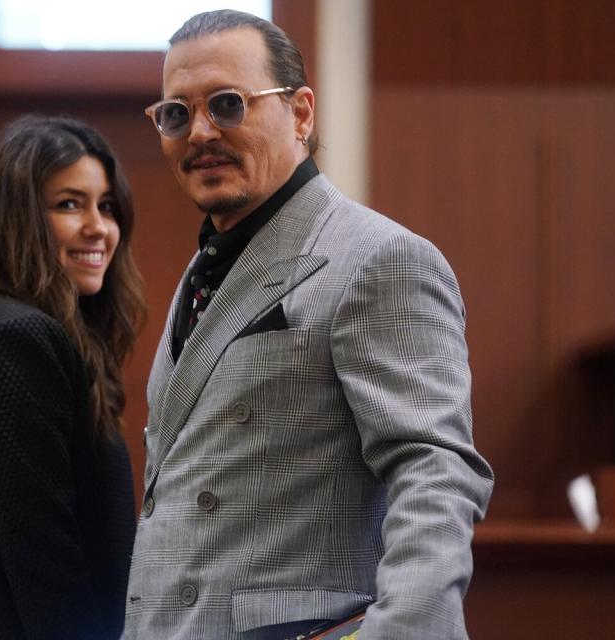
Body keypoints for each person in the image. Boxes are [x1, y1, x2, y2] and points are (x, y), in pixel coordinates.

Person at [124, 10, 495, 640]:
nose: (200, 133)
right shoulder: (205, 267)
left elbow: (433, 471)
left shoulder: (380, 257)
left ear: (301, 113)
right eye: (177, 114)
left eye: (227, 104)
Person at [0, 115, 146, 640]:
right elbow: (44, 553)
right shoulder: (16, 337)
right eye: (69, 204)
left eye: (106, 206)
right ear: (16, 218)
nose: (98, 227)